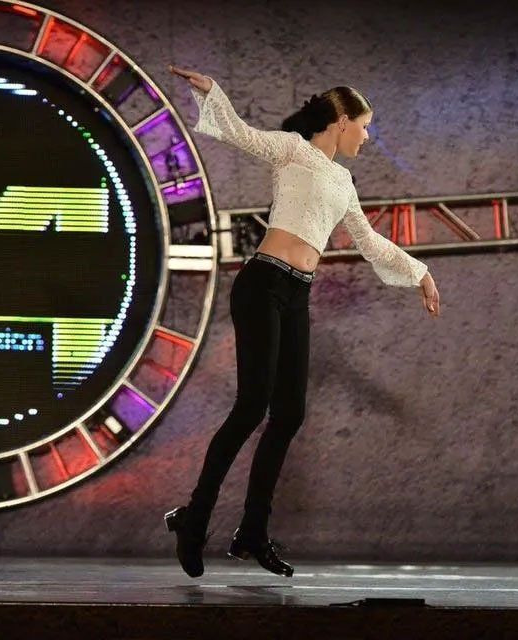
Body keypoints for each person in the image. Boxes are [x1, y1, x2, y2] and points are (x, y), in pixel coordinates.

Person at [164, 65, 441, 579]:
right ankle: (195, 517)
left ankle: (252, 531)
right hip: (262, 284)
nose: (367, 137)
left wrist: (419, 273)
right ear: (341, 120)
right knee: (251, 406)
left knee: (289, 413)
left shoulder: (343, 181)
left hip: (296, 293)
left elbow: (369, 242)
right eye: (364, 126)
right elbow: (241, 134)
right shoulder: (292, 150)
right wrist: (213, 91)